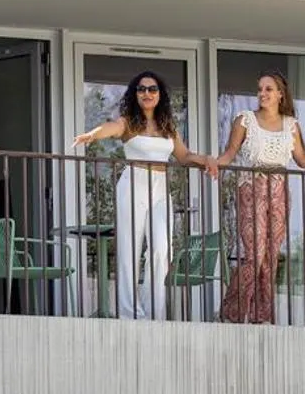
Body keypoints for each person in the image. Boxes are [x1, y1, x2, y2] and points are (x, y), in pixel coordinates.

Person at [74, 73, 213, 320]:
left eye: (152, 89)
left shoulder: (168, 126)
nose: (147, 93)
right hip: (133, 183)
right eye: (141, 89)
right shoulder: (129, 122)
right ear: (135, 94)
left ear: (160, 95)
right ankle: (130, 314)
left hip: (161, 187)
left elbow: (183, 156)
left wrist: (207, 160)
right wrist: (92, 135)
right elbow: (111, 128)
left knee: (162, 249)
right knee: (129, 249)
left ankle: (154, 313)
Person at [214, 72, 305, 326]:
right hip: (251, 189)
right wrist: (209, 163)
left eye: (268, 89)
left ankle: (261, 317)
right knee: (254, 254)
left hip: (279, 190)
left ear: (280, 94)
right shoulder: (245, 120)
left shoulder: (290, 125)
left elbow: (303, 160)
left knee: (270, 256)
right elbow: (229, 154)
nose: (262, 93)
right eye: (259, 89)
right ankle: (230, 314)